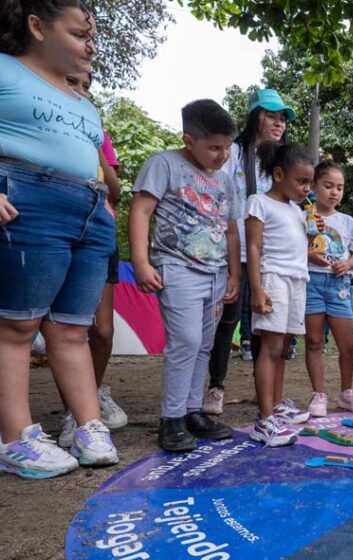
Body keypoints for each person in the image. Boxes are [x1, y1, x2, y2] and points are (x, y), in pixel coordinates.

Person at [0, 0, 119, 478]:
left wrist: (105, 211)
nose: (90, 46)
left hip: (89, 211)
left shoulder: (85, 103)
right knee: (14, 326)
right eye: (79, 34)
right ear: (36, 26)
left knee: (73, 328)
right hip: (21, 196)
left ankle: (88, 427)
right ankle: (15, 440)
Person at [129, 99, 239, 452]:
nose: (222, 155)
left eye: (227, 147)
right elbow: (142, 210)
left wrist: (234, 274)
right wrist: (142, 262)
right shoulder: (164, 164)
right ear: (188, 141)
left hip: (216, 273)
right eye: (214, 148)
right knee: (186, 342)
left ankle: (193, 412)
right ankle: (172, 418)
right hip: (177, 268)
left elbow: (232, 230)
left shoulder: (225, 180)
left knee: (204, 344)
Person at [203, 88, 295, 415]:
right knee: (228, 318)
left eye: (283, 119)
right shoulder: (235, 153)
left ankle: (265, 394)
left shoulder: (284, 159)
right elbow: (217, 194)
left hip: (271, 254)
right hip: (234, 249)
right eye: (272, 116)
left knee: (264, 322)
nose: (278, 124)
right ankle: (215, 386)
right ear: (257, 116)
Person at [57, 70, 128, 446]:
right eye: (73, 83)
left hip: (98, 230)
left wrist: (96, 147)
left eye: (86, 86)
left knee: (102, 330)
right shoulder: (41, 123)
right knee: (65, 327)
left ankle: (89, 399)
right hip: (55, 227)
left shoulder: (98, 132)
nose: (81, 92)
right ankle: (75, 412)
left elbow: (114, 189)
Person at [244, 143, 315, 446]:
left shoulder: (298, 210)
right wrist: (257, 289)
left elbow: (304, 249)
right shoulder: (258, 202)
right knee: (270, 349)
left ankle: (275, 407)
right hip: (273, 279)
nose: (307, 188)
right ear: (278, 174)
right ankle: (263, 420)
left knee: (283, 348)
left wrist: (313, 232)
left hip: (297, 280)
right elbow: (254, 247)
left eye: (309, 182)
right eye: (301, 181)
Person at [304, 160, 353, 416]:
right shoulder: (304, 217)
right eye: (328, 185)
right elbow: (299, 249)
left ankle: (347, 391)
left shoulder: (348, 221)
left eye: (339, 187)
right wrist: (310, 255)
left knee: (348, 344)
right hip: (311, 282)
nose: (334, 192)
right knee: (314, 341)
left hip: (340, 285)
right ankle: (318, 394)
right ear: (314, 186)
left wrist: (347, 264)